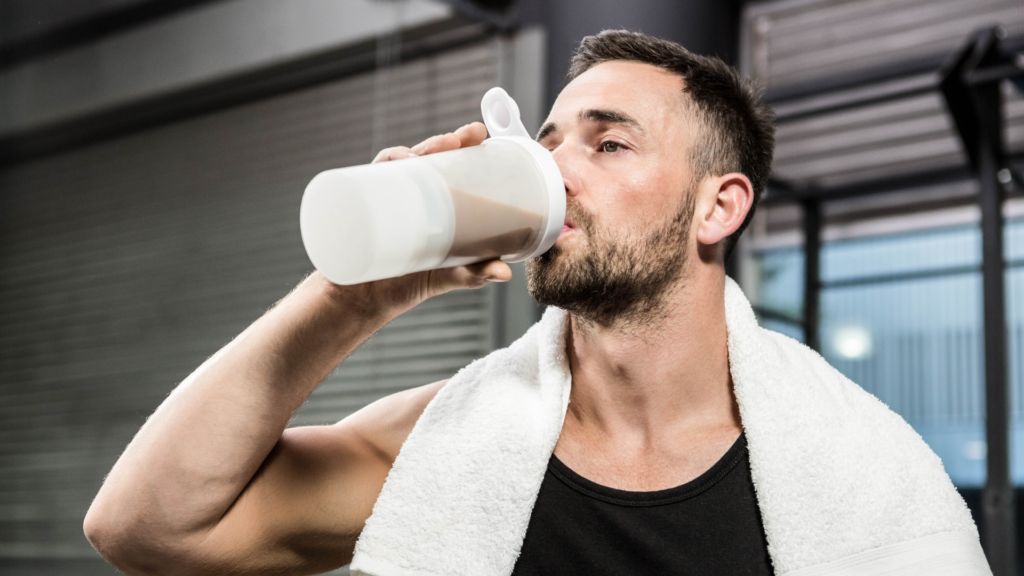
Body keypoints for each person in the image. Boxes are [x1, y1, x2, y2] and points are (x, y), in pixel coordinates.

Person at [83, 31, 981, 576]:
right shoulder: (447, 440)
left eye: (610, 144)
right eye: (547, 142)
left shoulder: (856, 466)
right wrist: (351, 295)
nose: (553, 170)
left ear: (719, 206)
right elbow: (147, 530)